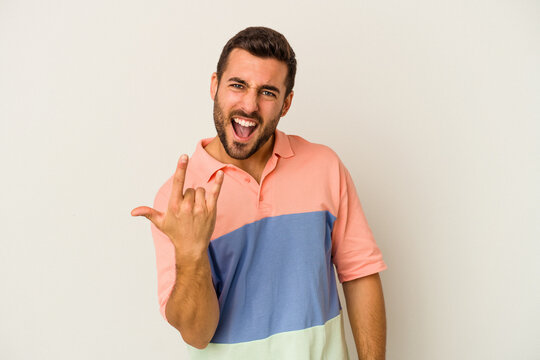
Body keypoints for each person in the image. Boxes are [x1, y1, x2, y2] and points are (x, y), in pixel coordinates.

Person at [132, 26, 387, 360]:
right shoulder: (179, 200)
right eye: (238, 85)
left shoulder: (324, 166)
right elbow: (197, 334)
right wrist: (192, 254)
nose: (249, 105)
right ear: (214, 86)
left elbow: (360, 276)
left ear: (286, 103)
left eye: (267, 92)